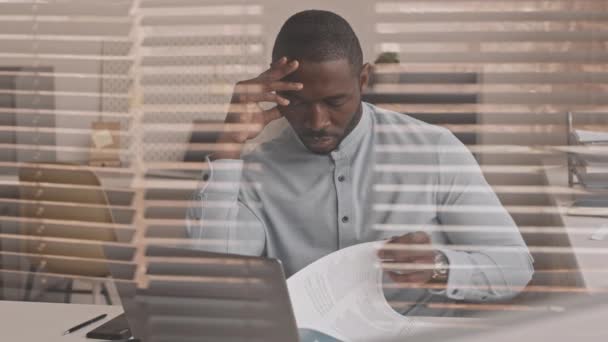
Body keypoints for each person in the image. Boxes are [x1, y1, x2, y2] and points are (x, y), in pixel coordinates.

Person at [187, 9, 533, 315]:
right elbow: (217, 283)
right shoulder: (253, 173)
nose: (317, 121)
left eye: (335, 101)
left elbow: (514, 265)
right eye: (299, 102)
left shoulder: (435, 151)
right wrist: (229, 144)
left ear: (363, 80)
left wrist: (438, 268)